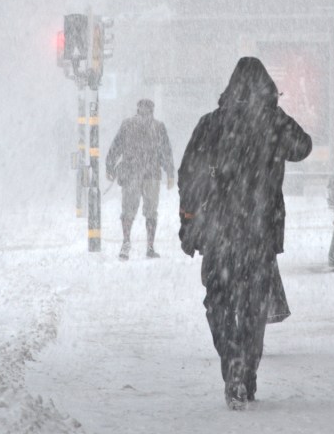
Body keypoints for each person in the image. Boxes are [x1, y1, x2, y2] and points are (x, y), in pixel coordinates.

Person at [177, 57, 312, 410]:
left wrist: (189, 218)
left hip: (220, 231)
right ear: (266, 88)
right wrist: (273, 112)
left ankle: (233, 363)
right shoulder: (272, 123)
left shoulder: (211, 125)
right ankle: (248, 370)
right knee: (254, 307)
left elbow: (188, 175)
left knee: (218, 301)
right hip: (259, 233)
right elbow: (304, 146)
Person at [106, 99, 175, 260]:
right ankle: (148, 247)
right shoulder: (157, 126)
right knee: (150, 211)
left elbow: (116, 146)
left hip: (134, 173)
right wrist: (169, 172)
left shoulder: (128, 125)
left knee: (129, 210)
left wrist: (110, 166)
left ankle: (127, 242)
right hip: (149, 173)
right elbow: (166, 151)